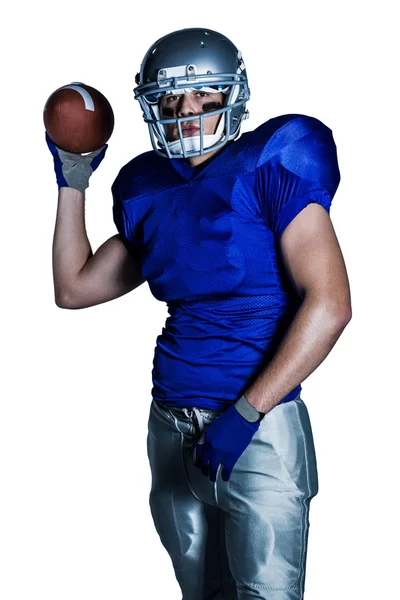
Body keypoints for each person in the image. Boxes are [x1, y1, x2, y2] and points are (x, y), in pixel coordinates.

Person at [47, 27, 352, 600]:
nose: (188, 113)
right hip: (171, 422)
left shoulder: (274, 161)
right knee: (201, 595)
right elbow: (75, 287)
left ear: (230, 96)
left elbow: (331, 304)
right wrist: (74, 179)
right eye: (172, 100)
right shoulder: (146, 186)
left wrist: (247, 413)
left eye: (205, 97)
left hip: (259, 423)